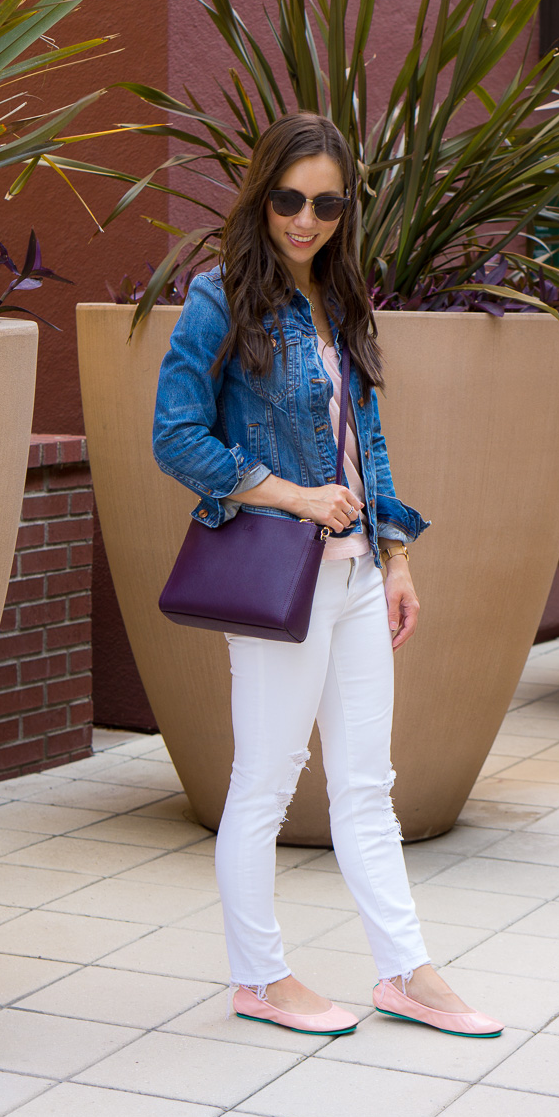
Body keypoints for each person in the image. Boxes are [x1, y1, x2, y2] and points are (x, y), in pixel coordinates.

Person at [153, 112, 503, 1039]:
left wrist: (397, 556)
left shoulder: (339, 302)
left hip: (354, 582)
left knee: (365, 783)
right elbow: (177, 437)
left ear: (347, 210)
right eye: (288, 200)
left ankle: (404, 970)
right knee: (265, 783)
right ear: (262, 193)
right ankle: (259, 977)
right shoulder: (218, 298)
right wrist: (292, 495)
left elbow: (369, 445)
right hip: (281, 580)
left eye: (326, 204)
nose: (305, 220)